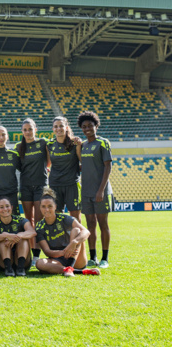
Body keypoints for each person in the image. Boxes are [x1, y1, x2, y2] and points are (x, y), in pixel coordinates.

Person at [35, 188, 101, 277]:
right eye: (43, 206)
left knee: (77, 230)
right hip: (57, 260)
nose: (46, 209)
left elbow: (86, 231)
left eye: (50, 206)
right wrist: (63, 252)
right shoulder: (39, 226)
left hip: (76, 257)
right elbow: (47, 252)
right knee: (39, 263)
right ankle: (75, 271)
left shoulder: (63, 218)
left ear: (55, 206)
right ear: (40, 208)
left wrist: (74, 242)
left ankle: (71, 266)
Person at [78, 111, 113, 268]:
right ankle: (93, 258)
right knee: (90, 224)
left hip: (101, 191)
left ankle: (105, 258)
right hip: (86, 192)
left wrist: (101, 190)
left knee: (102, 224)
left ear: (96, 126)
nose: (87, 129)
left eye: (90, 126)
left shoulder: (103, 142)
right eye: (84, 127)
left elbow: (108, 166)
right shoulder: (83, 146)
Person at [15, 118, 50, 265]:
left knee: (40, 220)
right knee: (29, 221)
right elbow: (18, 166)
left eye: (30, 129)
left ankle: (37, 254)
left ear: (35, 129)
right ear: (22, 132)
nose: (28, 132)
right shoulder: (19, 147)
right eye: (25, 130)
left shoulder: (43, 143)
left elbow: (49, 162)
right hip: (25, 186)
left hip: (41, 185)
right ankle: (29, 254)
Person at [0, 197, 36, 277]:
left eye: (7, 206)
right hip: (2, 262)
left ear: (12, 207)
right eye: (1, 207)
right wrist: (6, 236)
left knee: (23, 238)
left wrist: (18, 236)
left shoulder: (21, 220)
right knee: (3, 239)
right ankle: (8, 269)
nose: (5, 209)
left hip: (22, 259)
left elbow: (32, 232)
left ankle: (20, 268)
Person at [46, 116, 82, 222]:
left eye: (61, 126)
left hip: (72, 184)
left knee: (75, 217)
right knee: (56, 216)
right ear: (53, 129)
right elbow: (47, 164)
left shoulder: (75, 143)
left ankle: (78, 239)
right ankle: (61, 239)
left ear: (66, 127)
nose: (58, 129)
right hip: (55, 185)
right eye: (55, 126)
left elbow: (82, 162)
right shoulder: (50, 145)